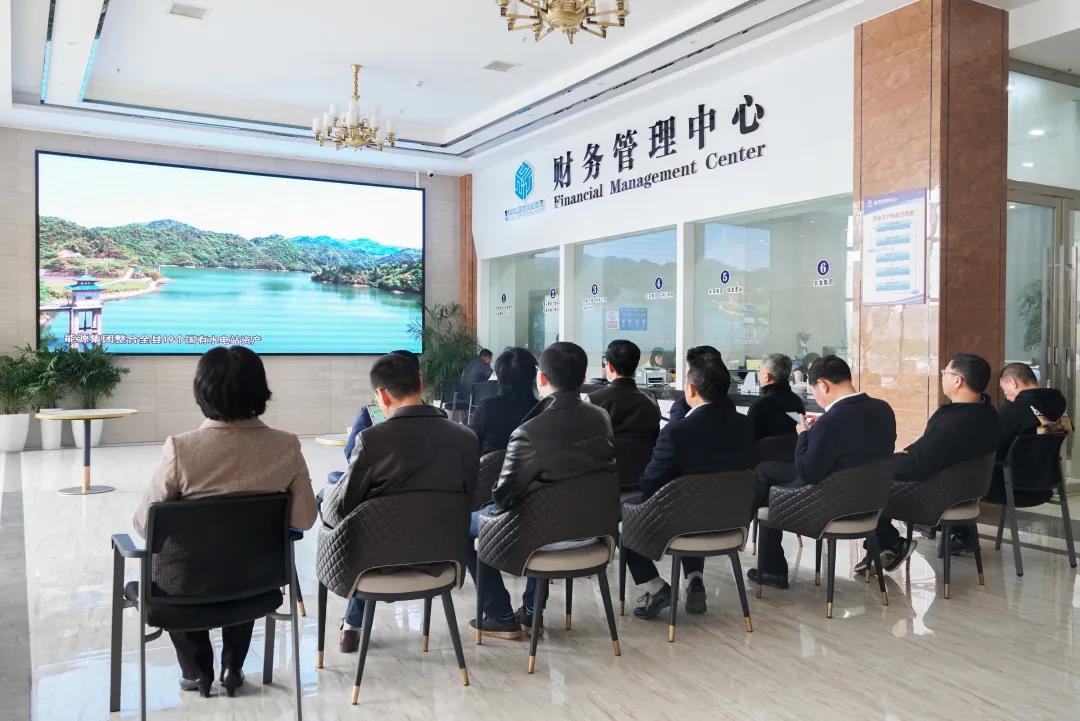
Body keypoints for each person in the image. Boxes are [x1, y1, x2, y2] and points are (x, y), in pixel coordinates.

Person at [133, 346, 317, 697]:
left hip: (183, 593)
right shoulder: (286, 447)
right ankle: (233, 667)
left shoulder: (181, 449)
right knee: (242, 558)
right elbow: (305, 519)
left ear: (202, 392)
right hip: (257, 588)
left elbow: (145, 526)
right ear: (260, 391)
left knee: (183, 571)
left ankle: (196, 671)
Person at [321, 353, 479, 653]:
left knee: (335, 504)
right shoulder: (466, 437)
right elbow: (469, 499)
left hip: (379, 562)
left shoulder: (372, 440)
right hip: (442, 557)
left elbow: (344, 508)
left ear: (381, 395)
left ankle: (352, 624)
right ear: (420, 381)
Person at [467, 341, 616, 640]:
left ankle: (500, 615)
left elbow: (504, 497)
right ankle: (531, 611)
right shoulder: (601, 417)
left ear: (542, 377)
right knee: (546, 506)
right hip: (595, 531)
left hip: (544, 534)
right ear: (583, 376)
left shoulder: (529, 431)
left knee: (462, 524)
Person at [624, 346, 754, 619]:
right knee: (697, 503)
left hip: (682, 523)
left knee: (626, 515)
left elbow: (650, 484)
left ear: (692, 390)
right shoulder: (745, 427)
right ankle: (694, 577)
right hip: (731, 522)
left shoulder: (676, 432)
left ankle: (656, 587)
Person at [751, 355, 896, 589]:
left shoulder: (830, 421)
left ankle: (770, 566)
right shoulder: (883, 409)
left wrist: (804, 435)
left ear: (823, 385)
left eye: (813, 390)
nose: (815, 397)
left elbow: (807, 472)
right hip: (870, 501)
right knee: (768, 471)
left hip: (830, 503)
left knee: (765, 476)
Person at [853, 353, 999, 572]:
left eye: (945, 372)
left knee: (869, 482)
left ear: (957, 380)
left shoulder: (956, 423)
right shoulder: (987, 412)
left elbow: (918, 466)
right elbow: (926, 451)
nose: (942, 376)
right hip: (964, 491)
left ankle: (891, 544)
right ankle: (884, 546)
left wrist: (884, 464)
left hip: (939, 495)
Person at [949, 362, 1070, 551]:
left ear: (1013, 382)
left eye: (1005, 391)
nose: (1007, 397)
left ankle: (960, 535)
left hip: (1011, 486)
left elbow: (990, 446)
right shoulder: (1059, 409)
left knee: (961, 473)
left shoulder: (1014, 411)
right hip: (1047, 484)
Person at [327, 349, 421, 485]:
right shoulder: (446, 425)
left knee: (332, 480)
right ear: (420, 382)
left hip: (378, 488)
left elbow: (352, 455)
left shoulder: (368, 420)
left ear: (381, 393)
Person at [588, 340, 661, 490]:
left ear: (610, 366)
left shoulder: (593, 401)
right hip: (640, 484)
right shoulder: (650, 404)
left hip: (601, 483)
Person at [469, 347, 539, 454]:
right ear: (534, 376)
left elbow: (468, 447)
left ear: (499, 376)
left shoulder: (486, 409)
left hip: (489, 464)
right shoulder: (541, 411)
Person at [747, 353, 805, 440]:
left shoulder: (759, 407)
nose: (758, 375)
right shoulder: (797, 402)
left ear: (767, 377)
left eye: (759, 371)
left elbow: (748, 439)